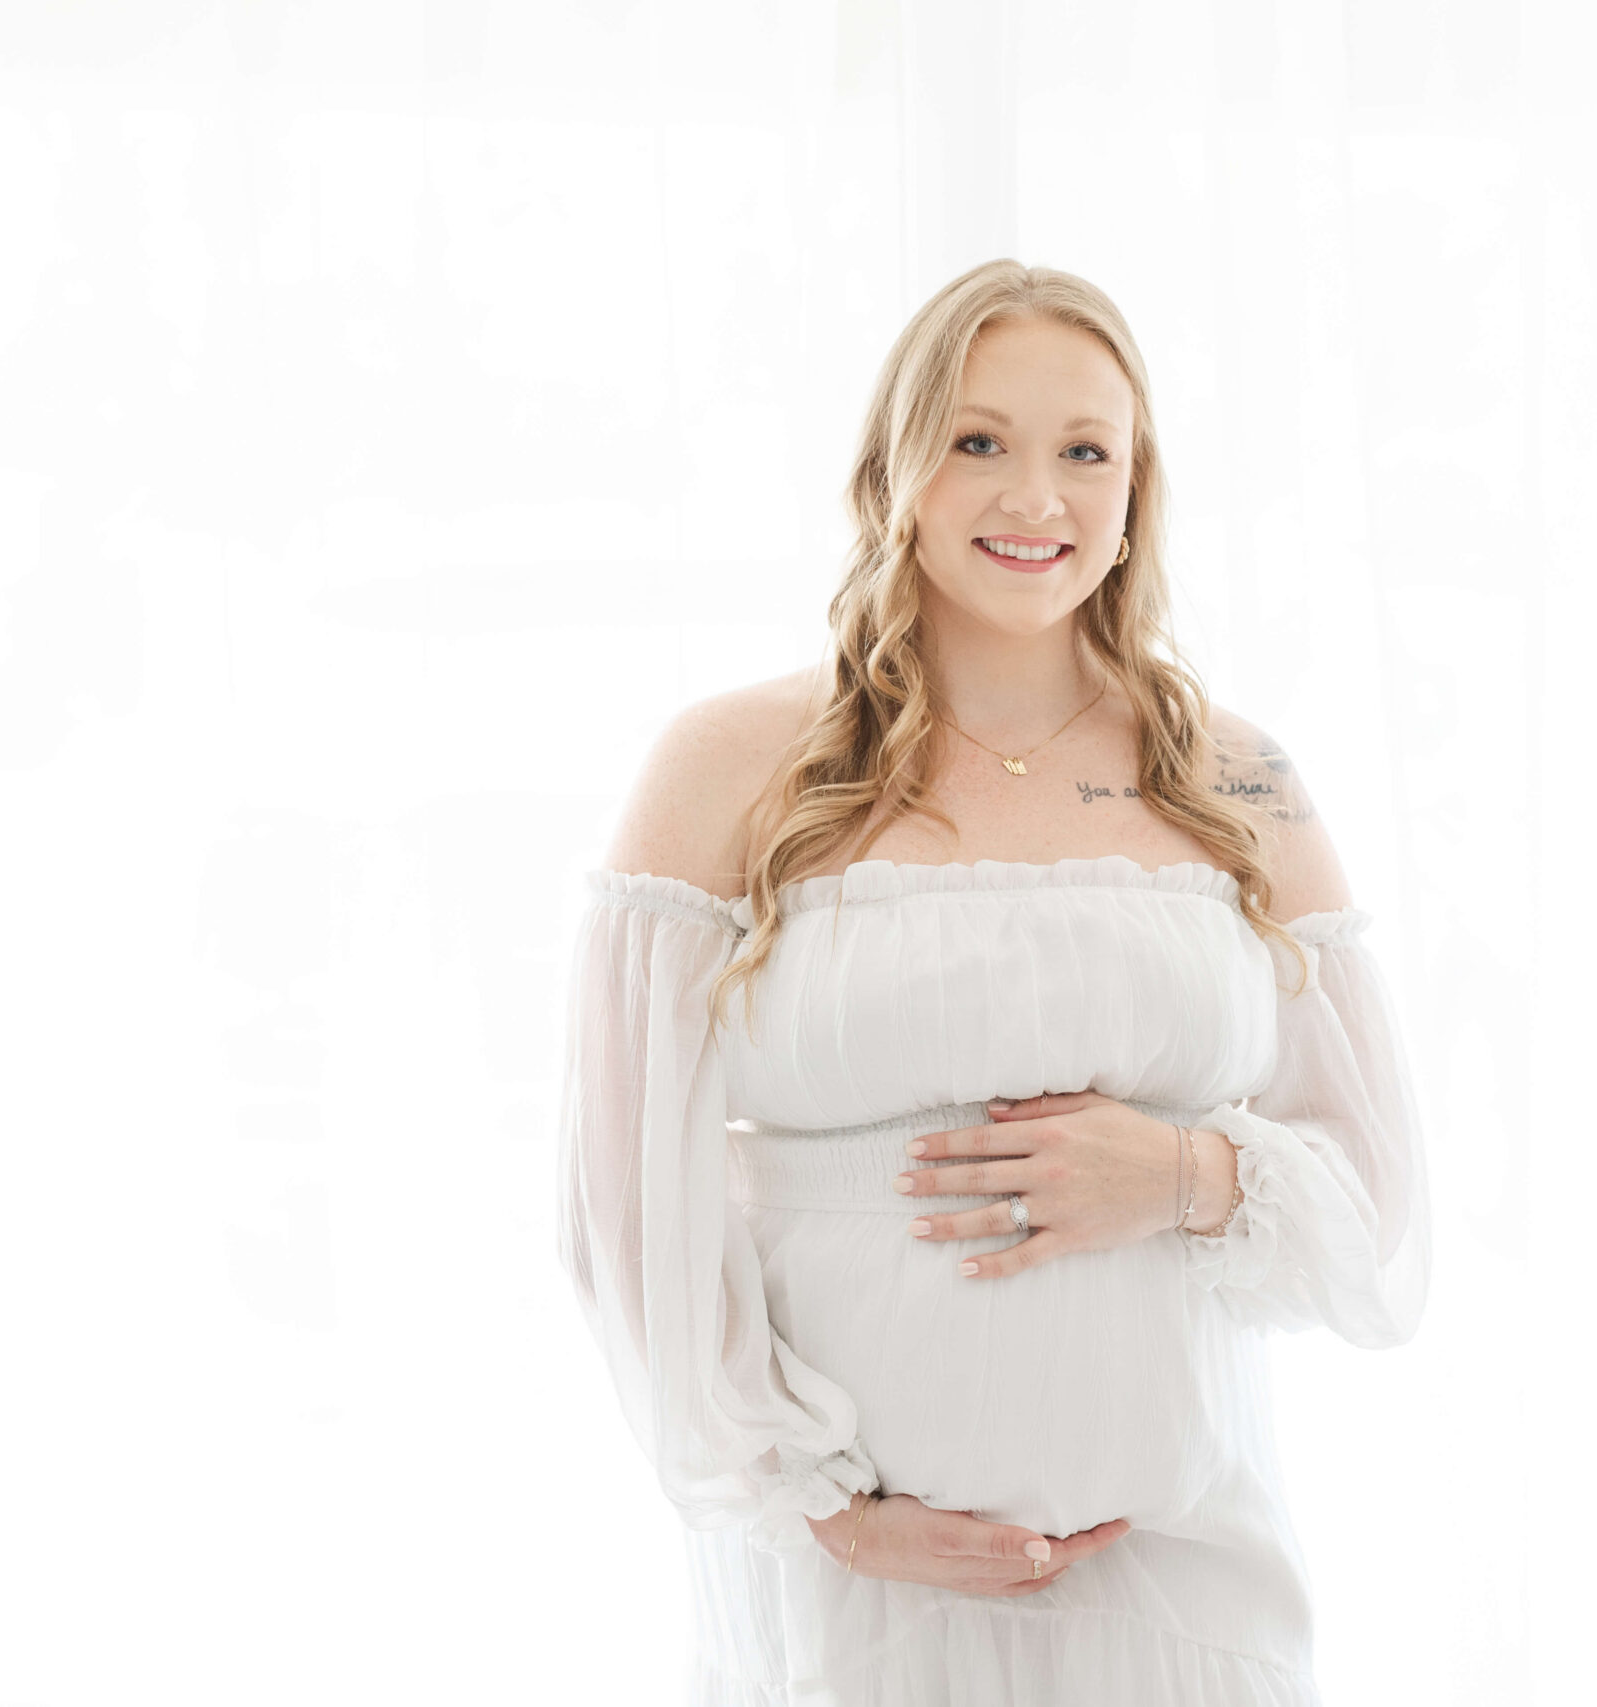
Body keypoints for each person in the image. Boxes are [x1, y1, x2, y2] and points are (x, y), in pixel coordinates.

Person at [553, 258, 1432, 1705]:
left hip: (1179, 1590)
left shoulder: (1235, 774)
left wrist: (1185, 1175)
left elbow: (1382, 1213)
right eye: (980, 442)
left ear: (1138, 488)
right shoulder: (728, 766)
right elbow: (622, 1207)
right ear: (896, 466)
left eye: (1085, 451)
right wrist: (820, 1510)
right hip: (852, 1604)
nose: (1037, 499)